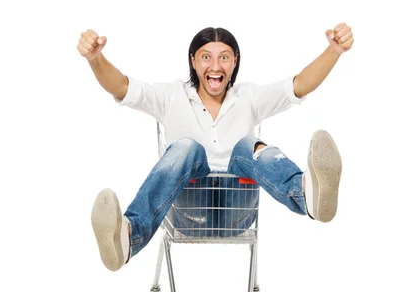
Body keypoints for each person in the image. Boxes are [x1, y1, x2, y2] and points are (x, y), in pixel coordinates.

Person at [77, 24, 354, 272]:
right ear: (193, 61)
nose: (215, 65)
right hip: (188, 211)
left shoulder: (248, 97)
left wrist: (334, 51)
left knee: (248, 146)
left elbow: (299, 85)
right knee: (186, 148)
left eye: (224, 57)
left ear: (235, 62)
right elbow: (122, 87)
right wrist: (95, 58)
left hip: (237, 212)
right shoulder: (171, 96)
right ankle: (128, 236)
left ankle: (307, 195)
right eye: (206, 56)